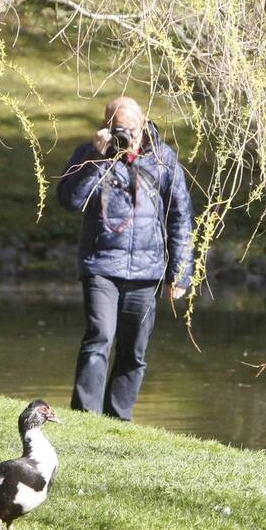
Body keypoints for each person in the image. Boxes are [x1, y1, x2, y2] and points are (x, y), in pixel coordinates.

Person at [57, 97, 194, 420]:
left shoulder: (163, 159)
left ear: (143, 124)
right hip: (100, 264)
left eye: (131, 129)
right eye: (119, 129)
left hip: (148, 271)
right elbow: (70, 200)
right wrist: (97, 156)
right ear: (106, 125)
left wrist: (180, 273)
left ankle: (119, 418)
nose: (126, 135)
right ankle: (85, 415)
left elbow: (181, 217)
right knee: (100, 336)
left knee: (134, 349)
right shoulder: (89, 154)